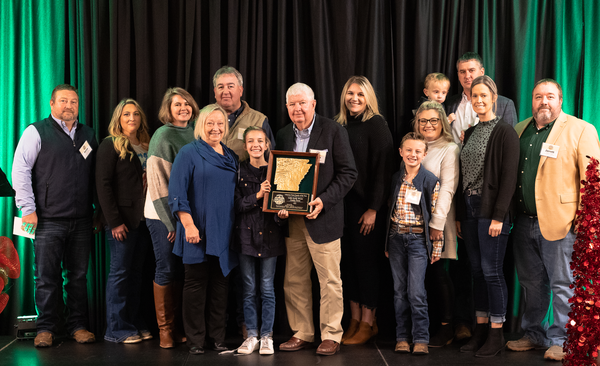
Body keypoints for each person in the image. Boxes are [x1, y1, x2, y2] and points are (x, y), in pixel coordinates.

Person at [506, 79, 600, 361]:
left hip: (561, 221)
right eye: (538, 97)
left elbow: (593, 179)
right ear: (531, 100)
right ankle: (534, 334)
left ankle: (561, 339)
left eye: (549, 96)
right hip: (523, 221)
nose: (543, 102)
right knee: (531, 283)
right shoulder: (519, 130)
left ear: (560, 100)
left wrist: (585, 220)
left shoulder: (581, 129)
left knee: (563, 284)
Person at [12, 84, 98, 347]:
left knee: (78, 277)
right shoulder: (35, 132)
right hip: (47, 220)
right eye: (63, 101)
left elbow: (95, 176)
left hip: (82, 220)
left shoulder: (88, 134)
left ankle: (78, 326)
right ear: (51, 104)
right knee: (46, 277)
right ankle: (46, 328)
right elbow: (20, 171)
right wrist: (28, 210)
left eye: (73, 101)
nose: (69, 106)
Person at [276, 83, 357, 356]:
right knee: (294, 280)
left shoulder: (334, 131)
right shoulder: (283, 134)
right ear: (286, 107)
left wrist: (323, 201)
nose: (297, 108)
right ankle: (302, 332)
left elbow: (348, 173)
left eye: (302, 103)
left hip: (323, 218)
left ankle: (331, 334)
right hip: (292, 221)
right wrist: (281, 204)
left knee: (330, 281)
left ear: (314, 103)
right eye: (292, 104)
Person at [456, 75, 519, 357]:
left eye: (484, 95)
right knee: (477, 271)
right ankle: (480, 328)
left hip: (491, 209)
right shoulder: (469, 132)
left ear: (494, 98)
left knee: (492, 272)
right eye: (474, 96)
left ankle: (497, 332)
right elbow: (462, 176)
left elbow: (509, 178)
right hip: (469, 208)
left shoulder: (505, 131)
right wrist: (459, 214)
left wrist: (499, 216)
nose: (479, 100)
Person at [169, 103, 239, 355]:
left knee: (221, 288)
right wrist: (188, 225)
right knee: (196, 287)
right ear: (201, 125)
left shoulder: (231, 156)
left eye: (220, 123)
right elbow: (177, 193)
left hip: (224, 231)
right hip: (195, 230)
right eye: (210, 123)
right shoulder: (189, 152)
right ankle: (196, 340)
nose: (215, 128)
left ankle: (218, 338)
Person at [333, 76, 394, 345]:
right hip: (342, 208)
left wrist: (373, 208)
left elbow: (384, 170)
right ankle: (355, 320)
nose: (354, 98)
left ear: (368, 97)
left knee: (367, 266)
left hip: (368, 209)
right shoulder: (339, 125)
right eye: (350, 93)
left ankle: (370, 322)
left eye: (360, 93)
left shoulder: (376, 125)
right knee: (347, 265)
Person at [145, 87, 199, 348]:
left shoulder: (194, 133)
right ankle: (165, 330)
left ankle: (176, 327)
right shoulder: (162, 135)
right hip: (162, 214)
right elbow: (158, 184)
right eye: (177, 104)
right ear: (168, 109)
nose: (183, 108)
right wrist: (172, 222)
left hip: (184, 214)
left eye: (187, 104)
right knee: (166, 267)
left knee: (181, 270)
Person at [96, 99, 152, 343]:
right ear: (118, 118)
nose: (132, 118)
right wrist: (114, 221)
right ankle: (116, 329)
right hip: (122, 222)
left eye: (136, 114)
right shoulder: (111, 145)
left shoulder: (146, 143)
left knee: (137, 274)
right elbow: (103, 186)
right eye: (127, 114)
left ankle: (134, 321)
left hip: (144, 220)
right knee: (119, 273)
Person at [233, 126, 289, 355]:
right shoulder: (238, 171)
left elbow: (282, 207)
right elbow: (237, 205)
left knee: (267, 289)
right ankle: (252, 335)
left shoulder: (278, 171)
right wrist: (257, 195)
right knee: (248, 290)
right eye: (251, 141)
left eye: (260, 141)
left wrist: (282, 215)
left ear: (267, 144)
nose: (256, 145)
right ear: (245, 146)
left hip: (271, 239)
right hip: (245, 238)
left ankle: (267, 336)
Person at [386, 132, 442, 355]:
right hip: (396, 239)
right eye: (408, 150)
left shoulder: (429, 180)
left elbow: (437, 216)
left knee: (416, 291)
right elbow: (390, 212)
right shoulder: (395, 179)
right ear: (401, 152)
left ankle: (421, 338)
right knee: (399, 291)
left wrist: (436, 247)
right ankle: (402, 337)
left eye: (418, 151)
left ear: (425, 154)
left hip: (418, 241)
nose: (413, 154)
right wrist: (387, 244)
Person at [412, 101, 460, 348]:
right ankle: (425, 326)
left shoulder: (449, 148)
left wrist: (437, 223)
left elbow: (448, 188)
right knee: (422, 276)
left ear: (442, 121)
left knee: (439, 273)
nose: (428, 125)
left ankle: (446, 326)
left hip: (436, 222)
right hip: (411, 224)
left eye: (433, 120)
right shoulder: (413, 146)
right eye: (423, 121)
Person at [445, 52, 518, 144]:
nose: (467, 76)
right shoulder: (449, 103)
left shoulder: (504, 104)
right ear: (458, 75)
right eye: (462, 72)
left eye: (471, 70)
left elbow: (510, 141)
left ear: (482, 72)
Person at [213, 65, 275, 161]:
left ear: (240, 90)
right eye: (221, 87)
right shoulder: (202, 118)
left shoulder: (258, 120)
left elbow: (270, 159)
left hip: (246, 175)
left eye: (230, 86)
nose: (225, 91)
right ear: (215, 91)